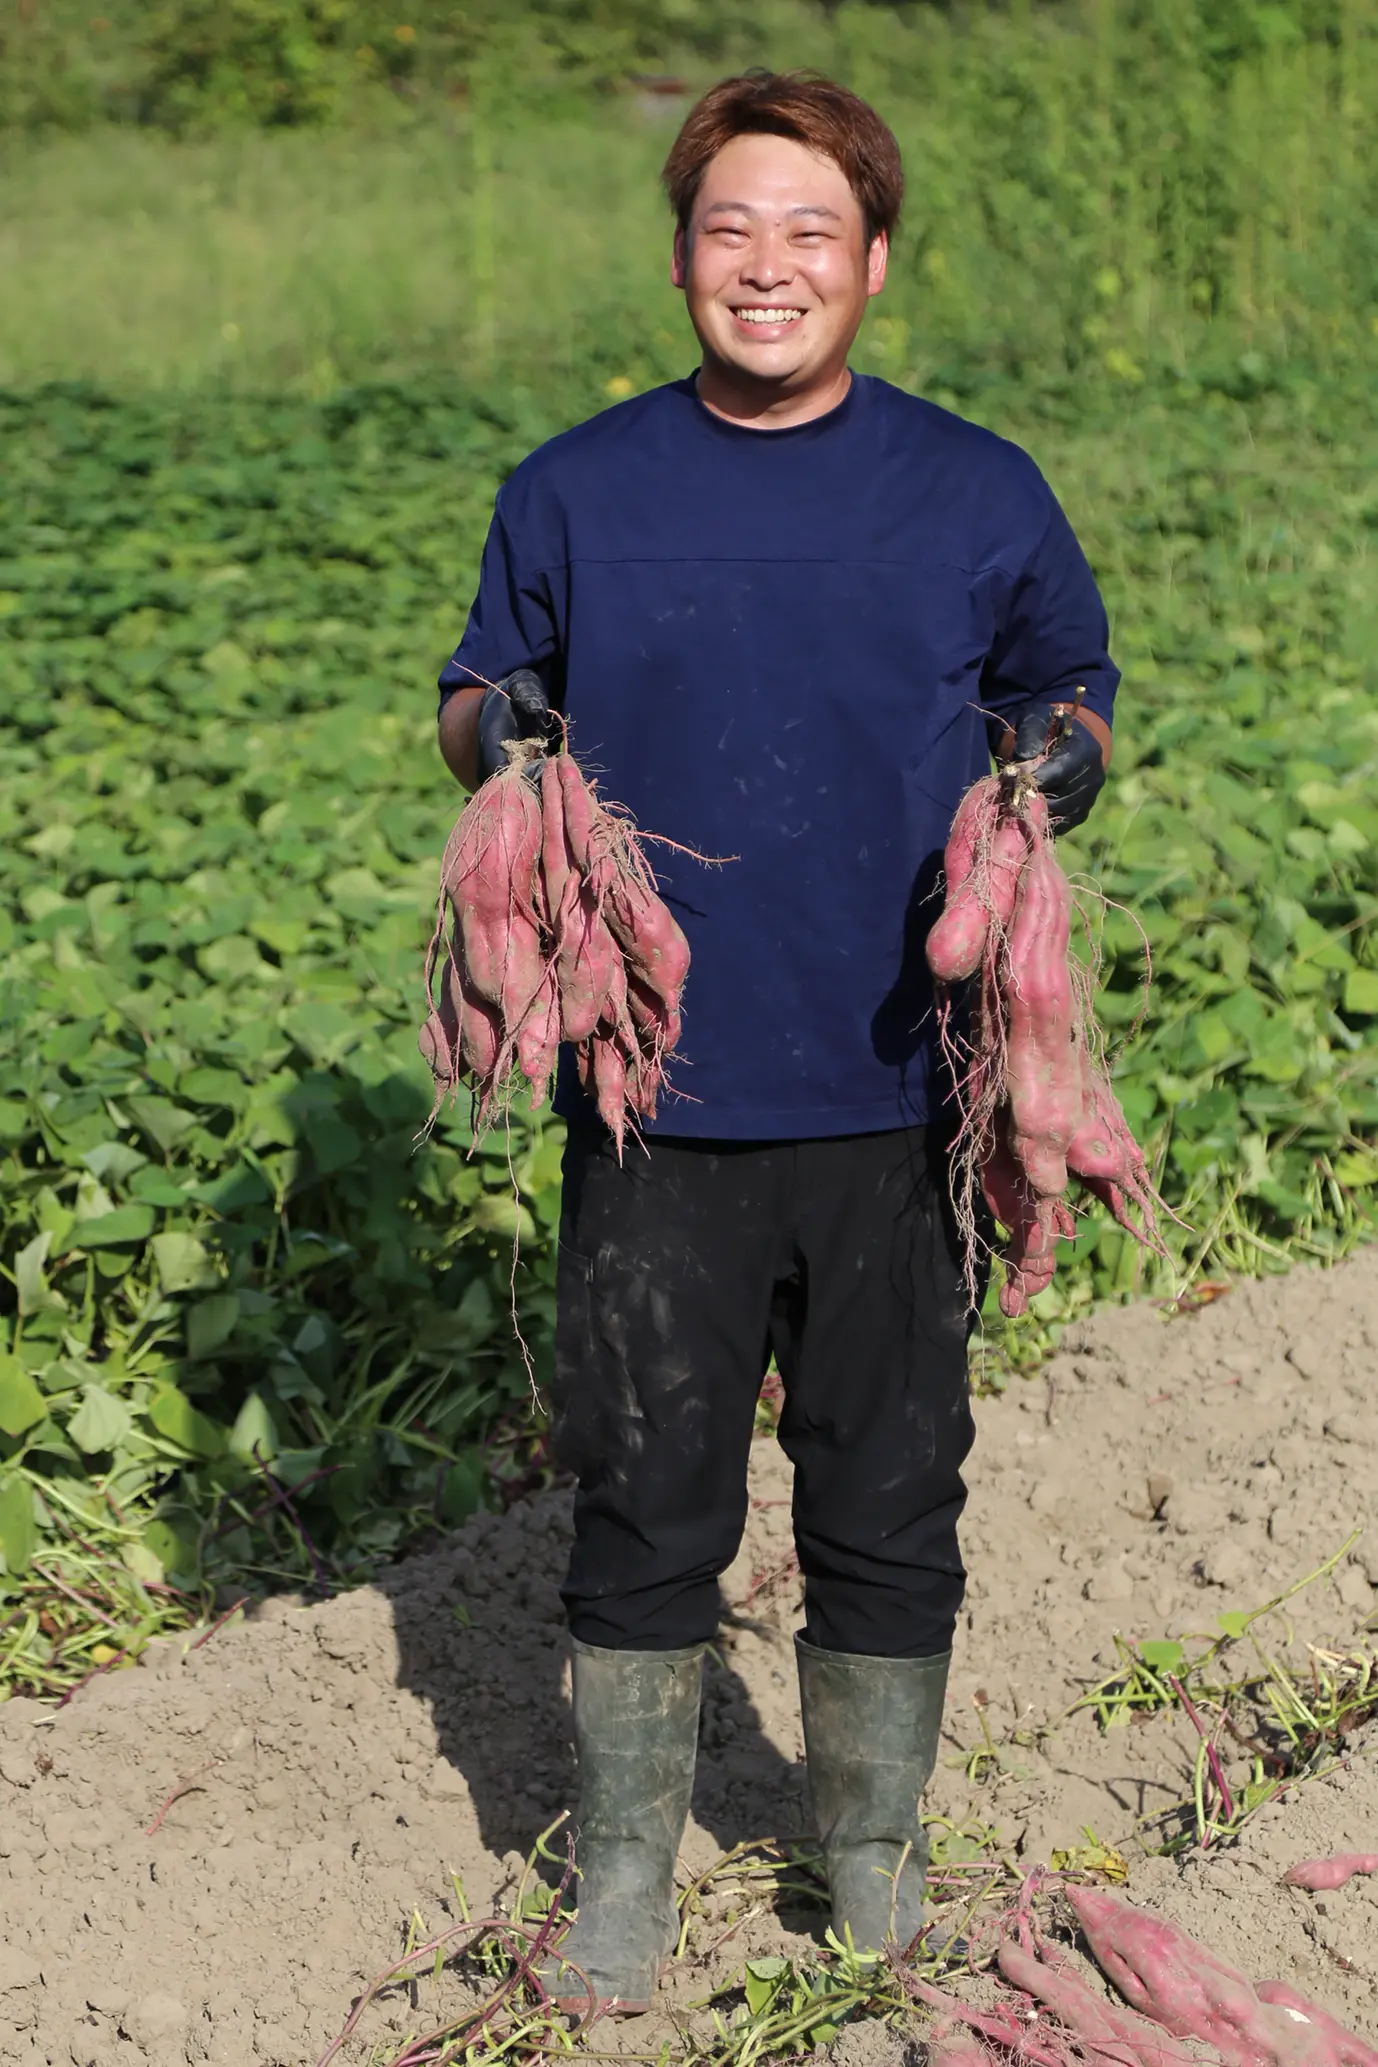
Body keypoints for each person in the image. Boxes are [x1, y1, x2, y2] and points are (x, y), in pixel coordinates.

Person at [436, 69, 1117, 2011]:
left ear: (871, 262)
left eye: (808, 230)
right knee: (643, 1492)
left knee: (889, 1487)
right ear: (679, 259)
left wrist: (1038, 782)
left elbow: (1065, 685)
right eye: (730, 227)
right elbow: (480, 682)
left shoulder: (970, 488)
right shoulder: (578, 487)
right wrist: (512, 766)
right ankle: (630, 1880)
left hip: (898, 1089)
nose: (767, 264)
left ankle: (871, 1867)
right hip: (654, 1095)